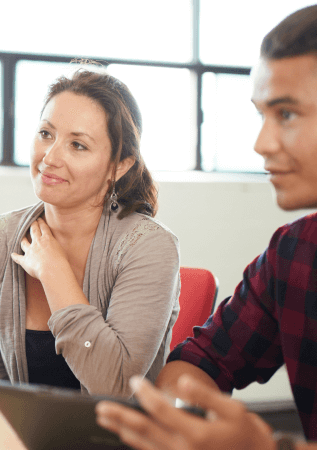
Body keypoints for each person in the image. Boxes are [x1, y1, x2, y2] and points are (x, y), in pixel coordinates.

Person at [96, 5, 317, 449]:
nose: (261, 144)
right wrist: (181, 418)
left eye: (287, 114)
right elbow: (200, 362)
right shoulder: (292, 254)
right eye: (261, 116)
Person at [0, 69, 181, 408]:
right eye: (45, 133)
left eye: (78, 145)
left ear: (120, 165)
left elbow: (113, 386)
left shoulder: (148, 247)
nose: (50, 158)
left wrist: (54, 273)